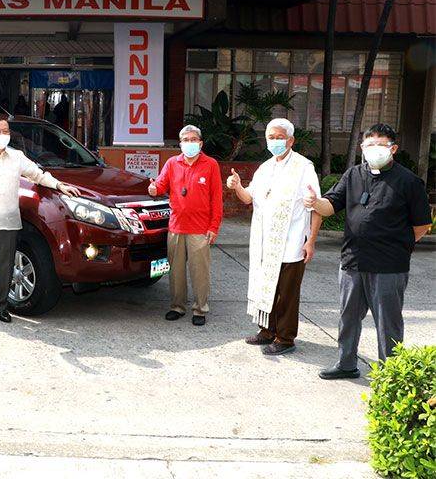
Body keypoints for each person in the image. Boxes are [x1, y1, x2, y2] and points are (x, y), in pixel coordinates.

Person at [305, 123, 431, 380]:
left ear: (393, 148)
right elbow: (331, 205)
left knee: (388, 323)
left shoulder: (408, 181)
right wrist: (316, 202)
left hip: (389, 266)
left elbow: (422, 225)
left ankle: (391, 374)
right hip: (352, 261)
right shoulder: (353, 175)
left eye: (381, 145)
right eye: (369, 145)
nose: (374, 149)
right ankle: (346, 363)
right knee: (348, 316)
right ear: (362, 148)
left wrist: (399, 247)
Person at [0, 116, 81, 326]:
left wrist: (60, 186)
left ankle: (2, 306)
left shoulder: (17, 157)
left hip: (9, 220)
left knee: (6, 266)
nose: (2, 135)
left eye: (5, 131)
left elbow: (38, 175)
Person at [227, 118, 322, 355]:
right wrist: (237, 186)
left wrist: (311, 241)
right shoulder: (266, 167)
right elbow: (249, 198)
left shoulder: (303, 167)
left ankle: (285, 338)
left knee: (286, 293)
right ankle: (267, 331)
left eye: (279, 137)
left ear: (291, 140)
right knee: (265, 286)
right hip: (264, 243)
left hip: (291, 243)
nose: (275, 141)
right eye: (271, 137)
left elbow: (317, 207)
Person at [148, 124, 222, 326]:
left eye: (193, 140)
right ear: (180, 144)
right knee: (176, 271)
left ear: (200, 143)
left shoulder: (211, 164)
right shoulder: (172, 163)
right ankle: (177, 306)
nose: (190, 143)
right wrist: (153, 188)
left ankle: (200, 309)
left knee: (200, 271)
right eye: (186, 140)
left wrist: (214, 227)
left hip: (200, 228)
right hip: (176, 226)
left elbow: (216, 199)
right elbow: (160, 186)